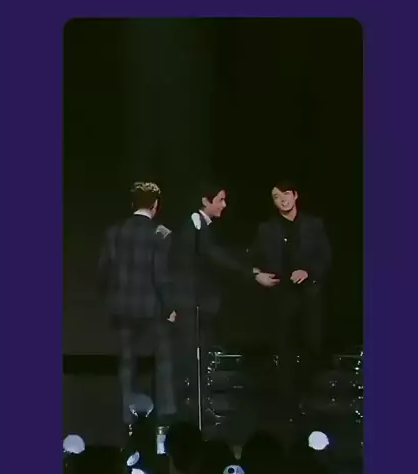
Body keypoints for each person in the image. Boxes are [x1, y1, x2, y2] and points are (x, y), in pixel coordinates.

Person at [169, 182, 279, 422]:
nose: (224, 205)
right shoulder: (194, 224)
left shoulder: (203, 227)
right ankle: (184, 414)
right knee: (190, 359)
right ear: (205, 201)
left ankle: (198, 409)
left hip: (200, 304)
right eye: (220, 199)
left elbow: (219, 253)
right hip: (191, 303)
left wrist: (250, 266)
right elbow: (214, 256)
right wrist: (251, 274)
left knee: (200, 357)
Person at [249, 179, 331, 420]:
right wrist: (257, 274)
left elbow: (325, 257)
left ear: (295, 195)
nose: (282, 199)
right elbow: (252, 260)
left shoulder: (314, 225)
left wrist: (308, 271)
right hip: (281, 298)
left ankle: (309, 400)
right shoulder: (266, 230)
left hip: (309, 297)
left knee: (312, 346)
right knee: (284, 351)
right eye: (276, 196)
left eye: (285, 194)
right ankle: (289, 408)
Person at [98, 181, 177, 428]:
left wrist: (109, 298)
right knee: (162, 359)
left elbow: (103, 271)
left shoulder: (114, 232)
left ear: (133, 203)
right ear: (155, 204)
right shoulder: (161, 233)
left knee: (126, 362)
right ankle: (166, 412)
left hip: (122, 307)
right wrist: (169, 307)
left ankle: (126, 415)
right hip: (152, 307)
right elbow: (161, 275)